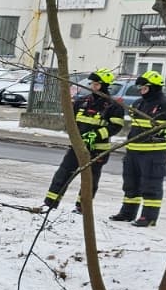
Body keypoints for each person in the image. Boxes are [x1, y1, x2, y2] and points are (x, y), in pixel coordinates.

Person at [111, 69, 166, 226]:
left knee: (151, 184)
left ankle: (149, 217)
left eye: (144, 88)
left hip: (153, 153)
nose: (141, 91)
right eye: (140, 88)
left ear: (153, 87)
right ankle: (127, 213)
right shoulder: (139, 103)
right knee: (130, 184)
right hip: (133, 151)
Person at [43, 69, 124, 212]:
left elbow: (115, 127)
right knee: (62, 174)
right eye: (92, 84)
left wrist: (96, 135)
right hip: (78, 147)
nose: (93, 87)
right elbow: (70, 121)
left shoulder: (114, 106)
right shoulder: (81, 102)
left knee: (90, 180)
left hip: (98, 150)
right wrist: (75, 136)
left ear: (104, 86)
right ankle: (50, 203)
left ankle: (82, 207)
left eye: (97, 85)